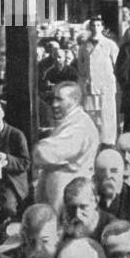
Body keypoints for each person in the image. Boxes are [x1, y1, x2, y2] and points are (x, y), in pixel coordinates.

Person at [34, 82, 100, 212]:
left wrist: (38, 148)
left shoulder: (80, 125)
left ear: (74, 100)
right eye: (54, 99)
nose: (54, 104)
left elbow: (45, 153)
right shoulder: (70, 121)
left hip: (69, 195)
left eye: (59, 100)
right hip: (57, 195)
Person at [0, 101, 31, 223]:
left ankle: (3, 228)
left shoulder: (16, 135)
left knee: (7, 208)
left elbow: (25, 163)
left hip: (11, 182)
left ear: (2, 113)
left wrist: (6, 159)